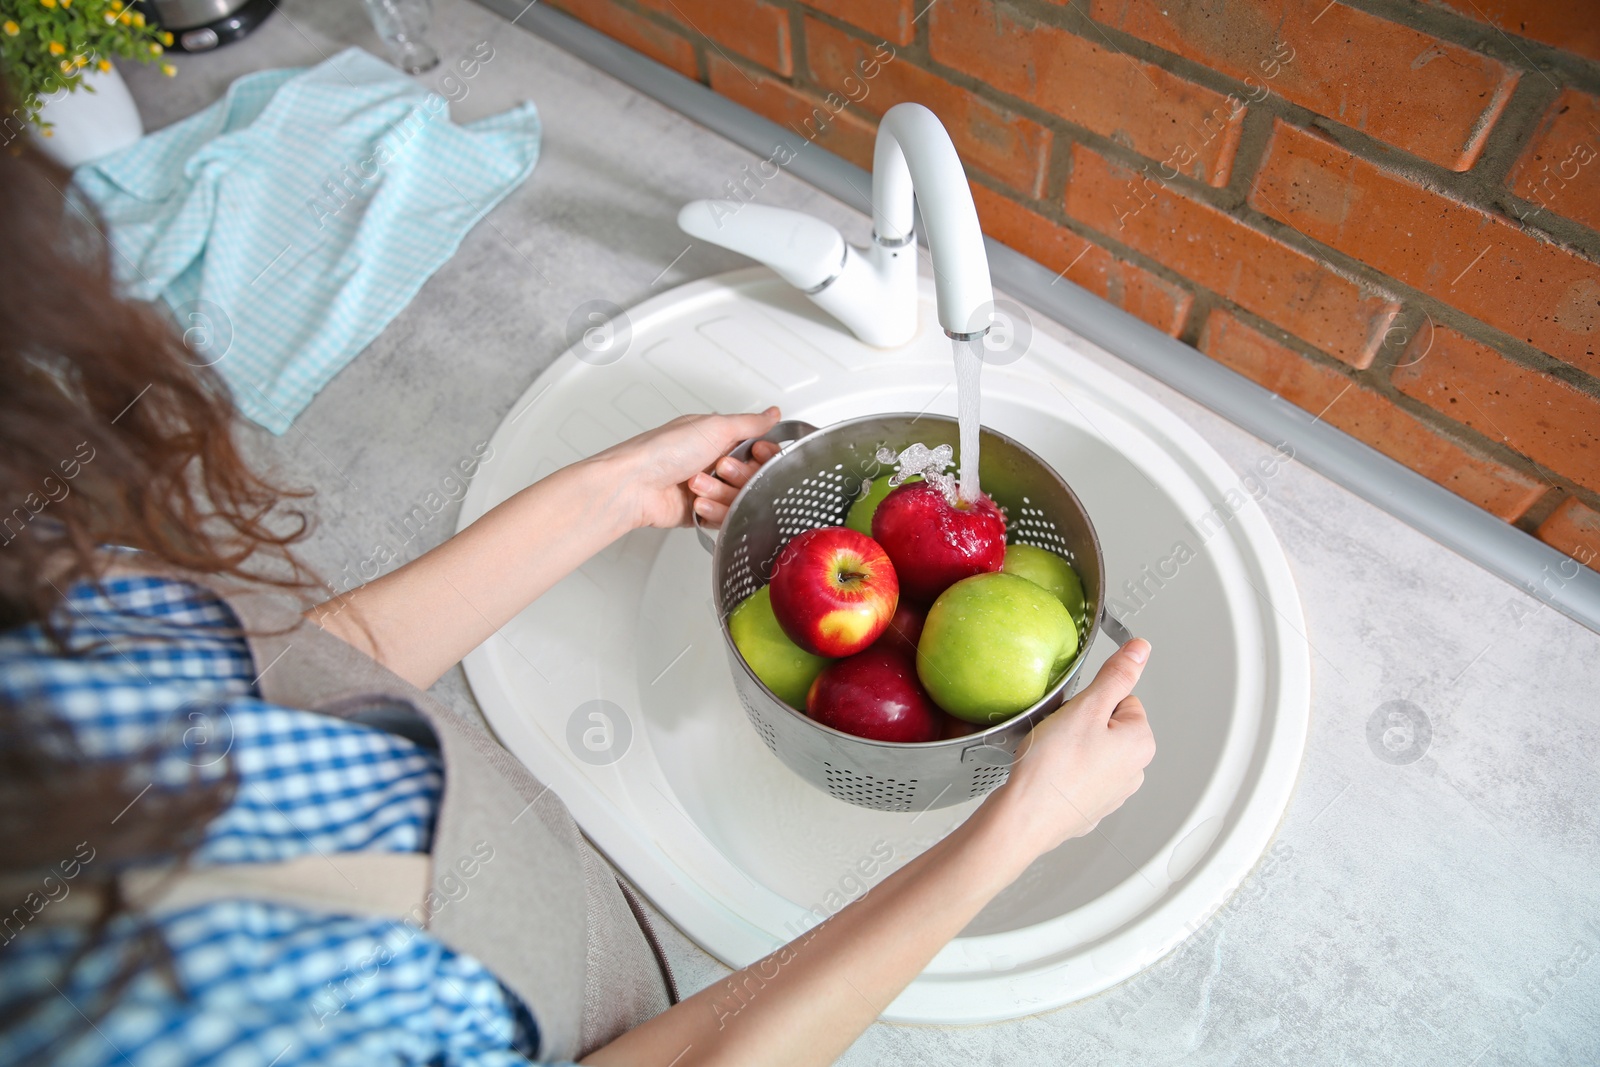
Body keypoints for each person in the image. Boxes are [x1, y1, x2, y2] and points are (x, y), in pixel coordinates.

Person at [0, 99, 1156, 1066]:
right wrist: (1017, 828)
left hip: (564, 931)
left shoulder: (40, 614)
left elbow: (307, 675)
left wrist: (615, 491)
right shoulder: (175, 1009)